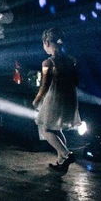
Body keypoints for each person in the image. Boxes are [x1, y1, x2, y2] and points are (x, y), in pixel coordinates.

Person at [31, 27, 82, 172]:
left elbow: (45, 86)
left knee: (47, 129)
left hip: (55, 98)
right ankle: (61, 162)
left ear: (47, 42)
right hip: (69, 98)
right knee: (57, 129)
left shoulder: (48, 63)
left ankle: (67, 154)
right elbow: (76, 81)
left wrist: (37, 100)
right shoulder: (71, 60)